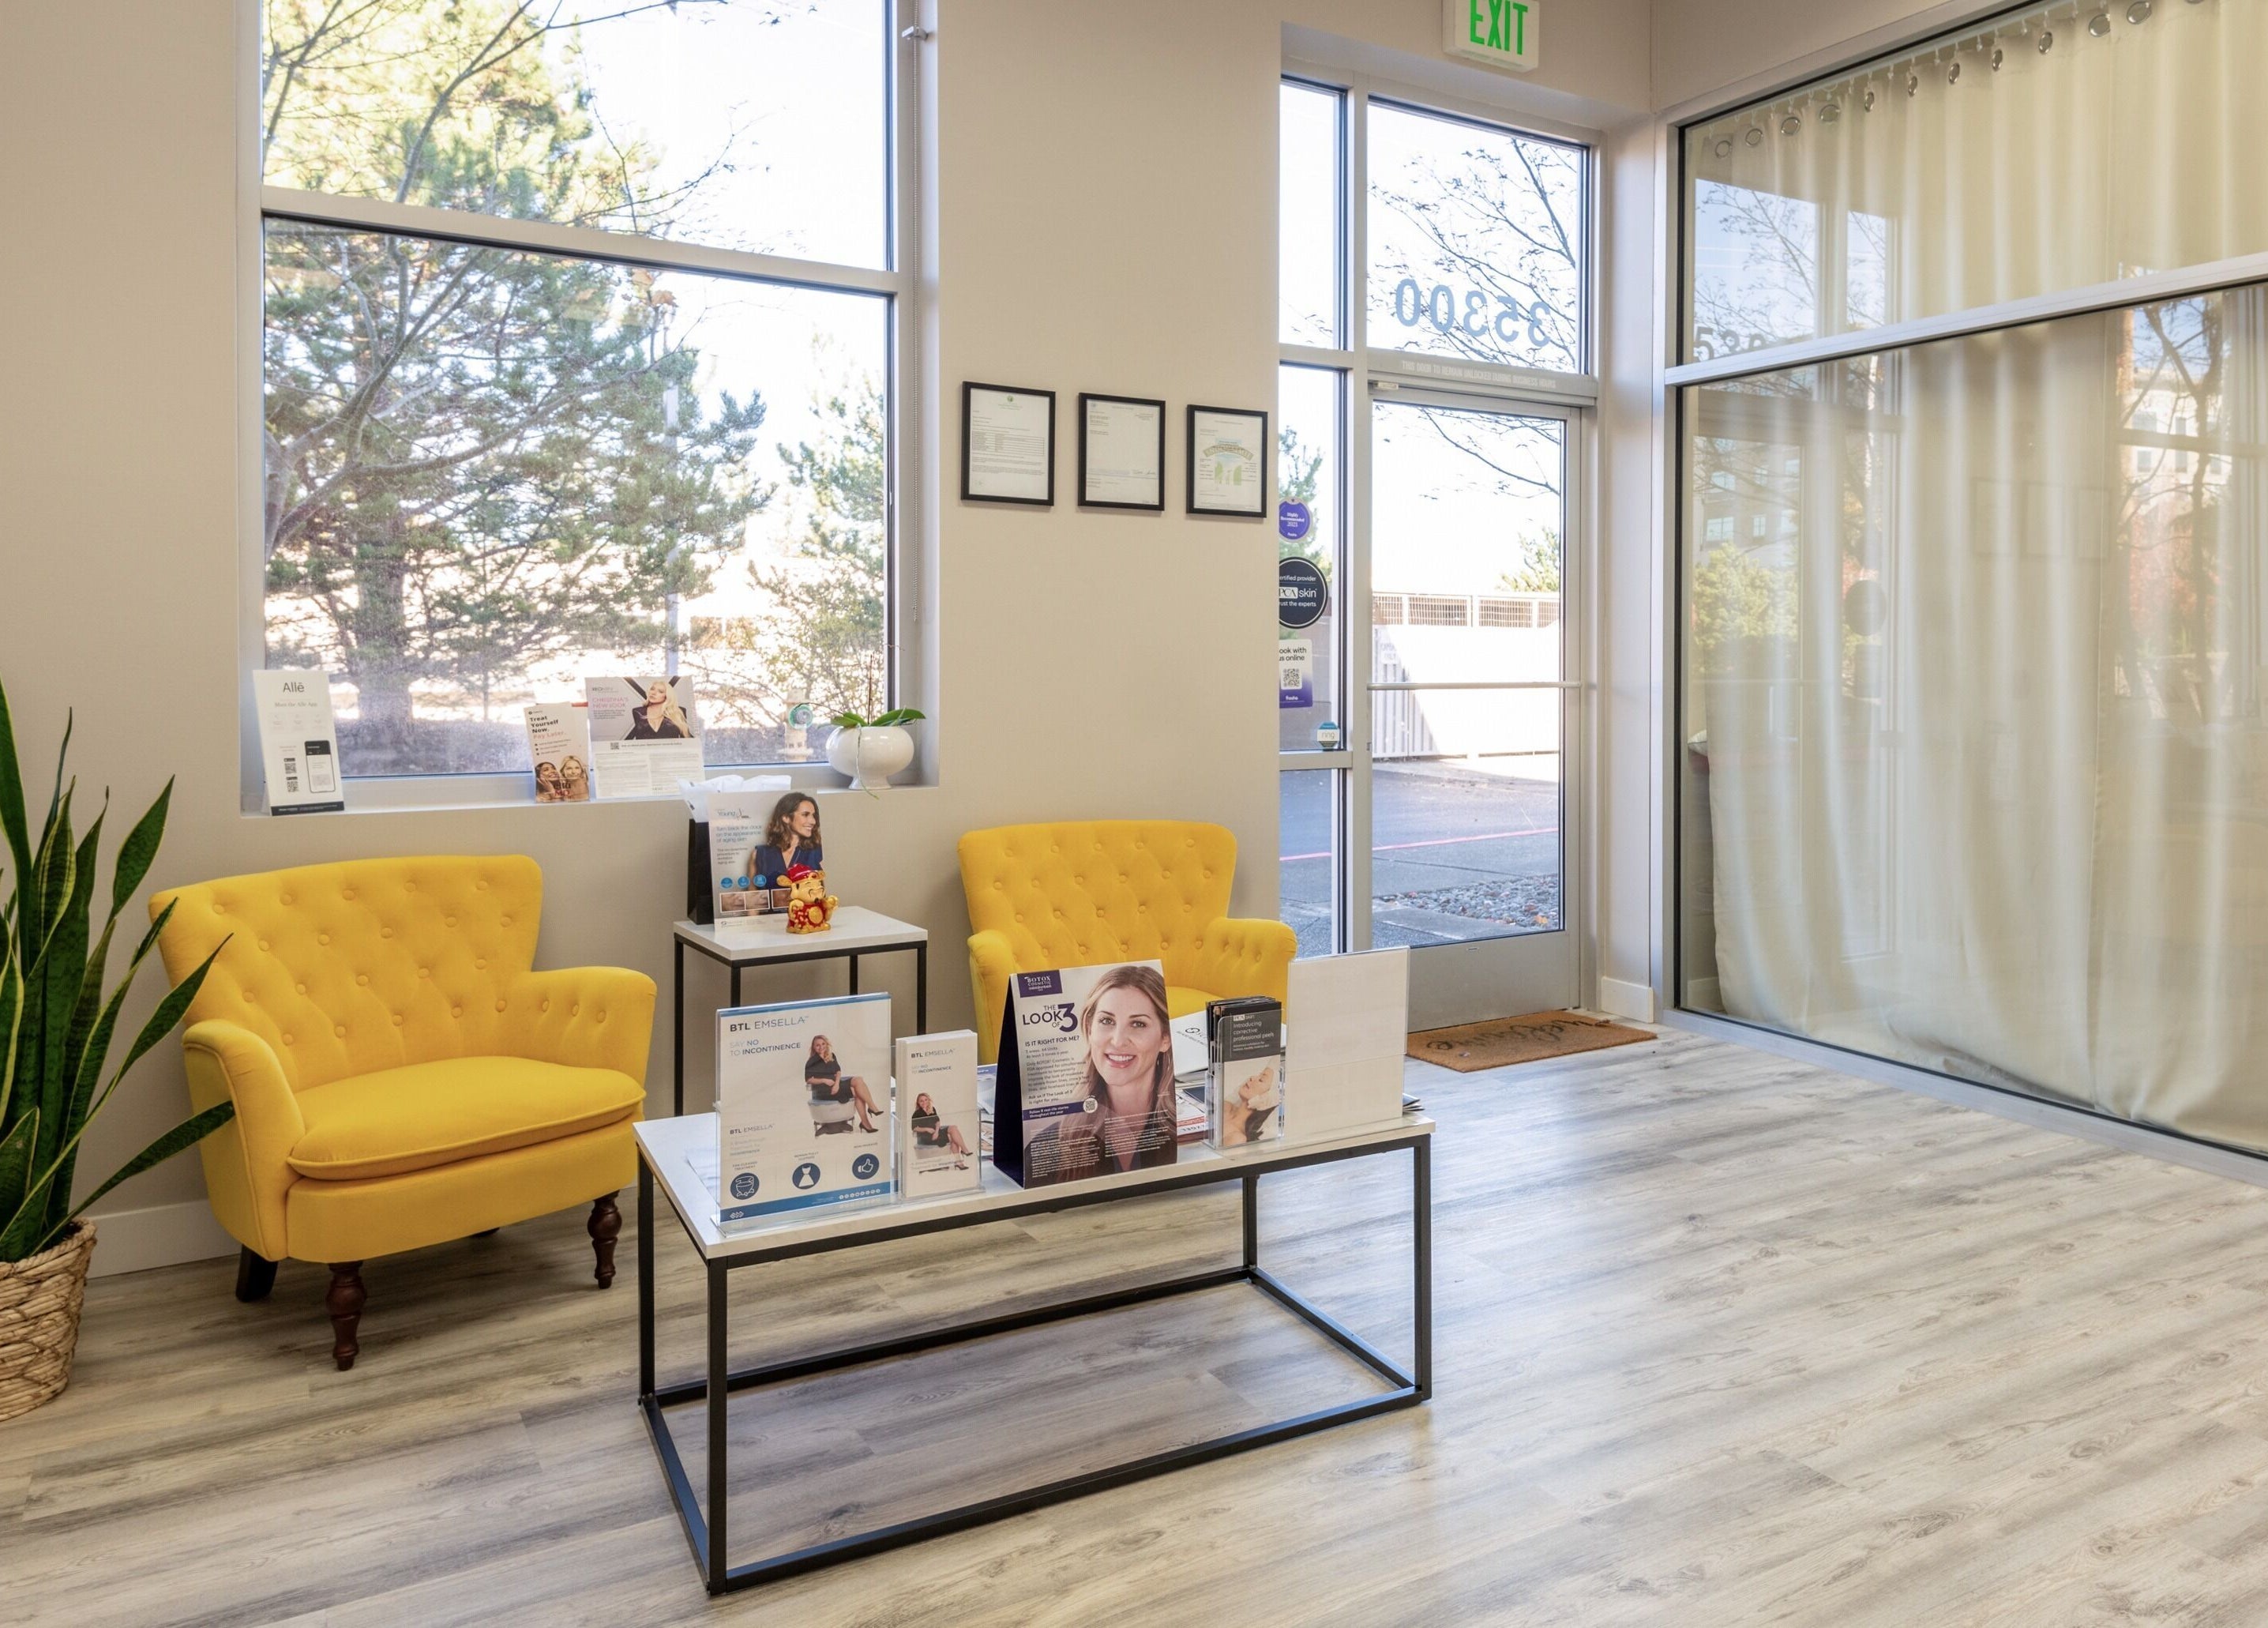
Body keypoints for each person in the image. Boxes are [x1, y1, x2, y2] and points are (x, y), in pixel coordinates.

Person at [1024, 964, 1177, 1184]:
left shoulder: (1183, 1136)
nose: (1117, 1040)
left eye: (1138, 1024)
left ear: (1165, 1038)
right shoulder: (1049, 1148)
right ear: (1089, 1028)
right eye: (1107, 1021)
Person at [804, 1035, 881, 1134]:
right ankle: (867, 1121)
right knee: (856, 1091)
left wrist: (836, 1084)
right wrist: (824, 1080)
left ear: (826, 1044)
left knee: (859, 1080)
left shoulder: (831, 1056)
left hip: (837, 1086)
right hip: (825, 1091)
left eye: (823, 1044)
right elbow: (808, 1080)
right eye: (818, 1045)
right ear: (814, 1047)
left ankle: (870, 1110)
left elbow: (838, 1071)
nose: (821, 1047)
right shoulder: (811, 1061)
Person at [750, 792, 823, 884]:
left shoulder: (817, 852)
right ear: (786, 817)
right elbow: (752, 894)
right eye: (805, 815)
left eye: (813, 816)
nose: (813, 821)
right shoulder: (759, 854)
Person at [910, 1090, 971, 1164]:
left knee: (954, 1128)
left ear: (929, 1100)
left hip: (936, 1132)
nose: (924, 1102)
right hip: (926, 1137)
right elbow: (914, 1128)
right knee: (953, 1138)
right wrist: (927, 1129)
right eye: (921, 1101)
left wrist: (936, 1132)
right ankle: (960, 1161)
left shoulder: (932, 1109)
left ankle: (964, 1151)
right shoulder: (917, 1113)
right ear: (918, 1103)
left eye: (926, 1100)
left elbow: (937, 1121)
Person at [623, 677, 692, 740]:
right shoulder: (638, 712)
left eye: (660, 691)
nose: (653, 693)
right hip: (645, 752)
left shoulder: (679, 711)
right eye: (652, 689)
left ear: (667, 696)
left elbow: (686, 739)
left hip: (671, 752)